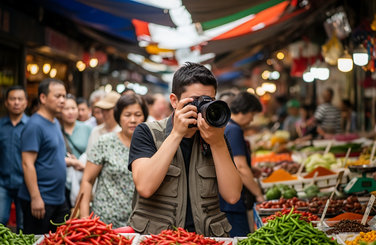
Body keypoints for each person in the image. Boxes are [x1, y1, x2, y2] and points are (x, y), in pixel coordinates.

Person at [128, 62, 242, 236]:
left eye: (208, 101)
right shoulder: (147, 132)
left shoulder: (215, 137)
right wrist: (176, 134)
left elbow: (232, 196)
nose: (202, 106)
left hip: (204, 238)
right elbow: (145, 187)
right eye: (195, 100)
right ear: (174, 100)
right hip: (160, 239)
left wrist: (218, 143)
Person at [79, 94, 147, 228]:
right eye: (127, 115)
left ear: (145, 116)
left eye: (138, 114)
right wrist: (85, 220)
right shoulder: (105, 142)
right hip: (104, 223)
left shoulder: (151, 145)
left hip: (139, 224)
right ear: (118, 117)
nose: (133, 120)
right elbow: (87, 180)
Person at [19, 79, 69, 234]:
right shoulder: (34, 125)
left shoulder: (55, 122)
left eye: (64, 96)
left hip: (59, 198)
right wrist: (35, 197)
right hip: (41, 200)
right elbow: (27, 163)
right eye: (57, 96)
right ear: (43, 98)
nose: (62, 100)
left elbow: (51, 157)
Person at [221, 91, 263, 237]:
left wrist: (251, 169)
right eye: (253, 114)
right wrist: (259, 194)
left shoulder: (227, 126)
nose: (252, 120)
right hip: (233, 201)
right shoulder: (234, 129)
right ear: (246, 110)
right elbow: (240, 167)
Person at [0, 86, 29, 230]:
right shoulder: (0, 126)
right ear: (6, 103)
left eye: (20, 99)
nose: (16, 102)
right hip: (2, 183)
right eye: (12, 99)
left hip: (25, 183)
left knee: (23, 225)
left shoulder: (31, 126)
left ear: (26, 102)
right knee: (0, 220)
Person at [60, 95, 92, 208]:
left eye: (73, 108)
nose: (70, 112)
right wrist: (71, 162)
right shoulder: (56, 129)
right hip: (62, 182)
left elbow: (94, 154)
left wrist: (81, 165)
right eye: (66, 108)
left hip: (83, 178)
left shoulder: (87, 129)